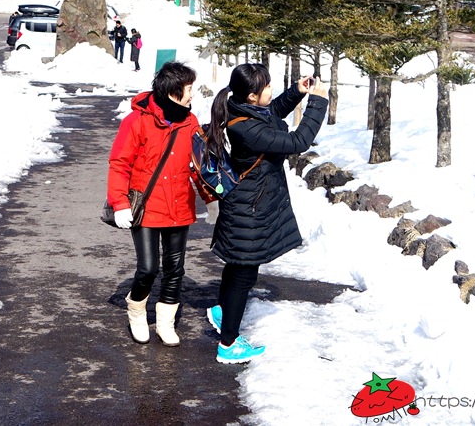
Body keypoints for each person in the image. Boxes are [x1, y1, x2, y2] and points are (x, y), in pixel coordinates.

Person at [203, 63, 328, 364]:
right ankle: (229, 344)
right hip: (250, 209)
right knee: (244, 273)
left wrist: (296, 92)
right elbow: (298, 142)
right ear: (251, 96)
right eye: (266, 87)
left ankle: (223, 312)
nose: (271, 91)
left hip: (248, 203)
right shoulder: (245, 127)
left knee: (239, 266)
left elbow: (272, 112)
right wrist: (318, 103)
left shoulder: (243, 110)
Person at [106, 61, 208, 346]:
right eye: (189, 89)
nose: (192, 95)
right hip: (147, 206)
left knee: (175, 269)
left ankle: (165, 321)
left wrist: (209, 200)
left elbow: (198, 166)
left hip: (179, 206)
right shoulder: (137, 121)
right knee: (148, 268)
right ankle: (137, 309)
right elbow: (119, 164)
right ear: (173, 91)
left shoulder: (190, 122)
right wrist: (119, 203)